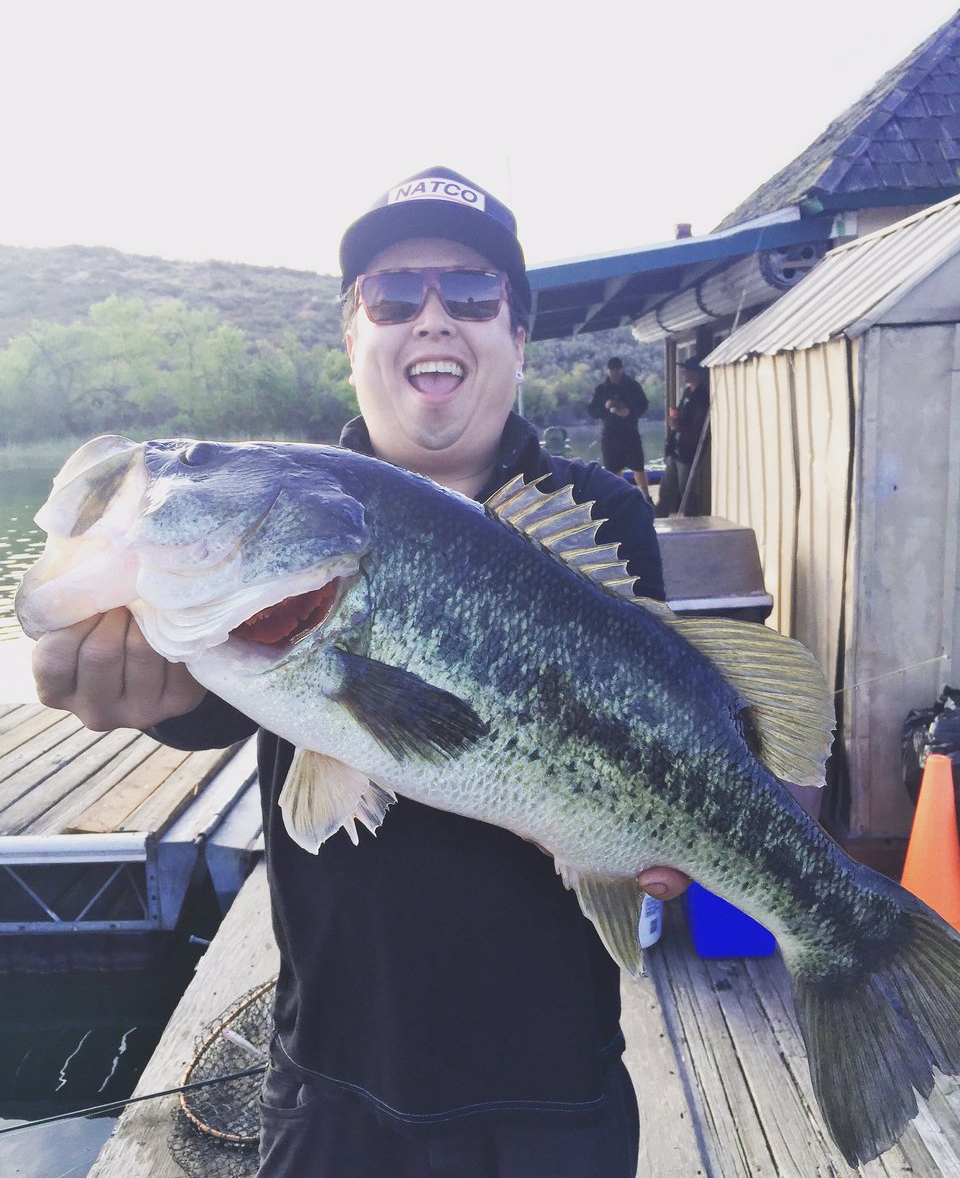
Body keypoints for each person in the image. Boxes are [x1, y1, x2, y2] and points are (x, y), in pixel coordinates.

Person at [30, 165, 690, 1178]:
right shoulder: (287, 520)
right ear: (352, 336)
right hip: (335, 1093)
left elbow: (657, 721)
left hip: (558, 1092)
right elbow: (202, 703)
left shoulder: (599, 515)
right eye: (393, 295)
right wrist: (144, 689)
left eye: (472, 293)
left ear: (518, 334)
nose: (433, 318)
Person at [587, 357, 651, 498]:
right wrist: (605, 408)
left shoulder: (633, 386)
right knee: (613, 469)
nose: (615, 372)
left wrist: (630, 411)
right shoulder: (601, 389)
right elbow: (591, 410)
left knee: (638, 467)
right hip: (610, 435)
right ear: (608, 371)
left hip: (630, 433)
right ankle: (620, 498)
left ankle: (646, 497)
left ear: (621, 369)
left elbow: (644, 405)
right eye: (612, 370)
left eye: (617, 369)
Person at [673, 357, 709, 512]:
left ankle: (691, 519)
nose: (683, 374)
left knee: (686, 489)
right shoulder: (687, 392)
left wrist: (678, 426)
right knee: (669, 488)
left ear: (695, 373)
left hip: (689, 450)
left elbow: (697, 427)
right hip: (675, 448)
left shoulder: (702, 397)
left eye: (686, 371)